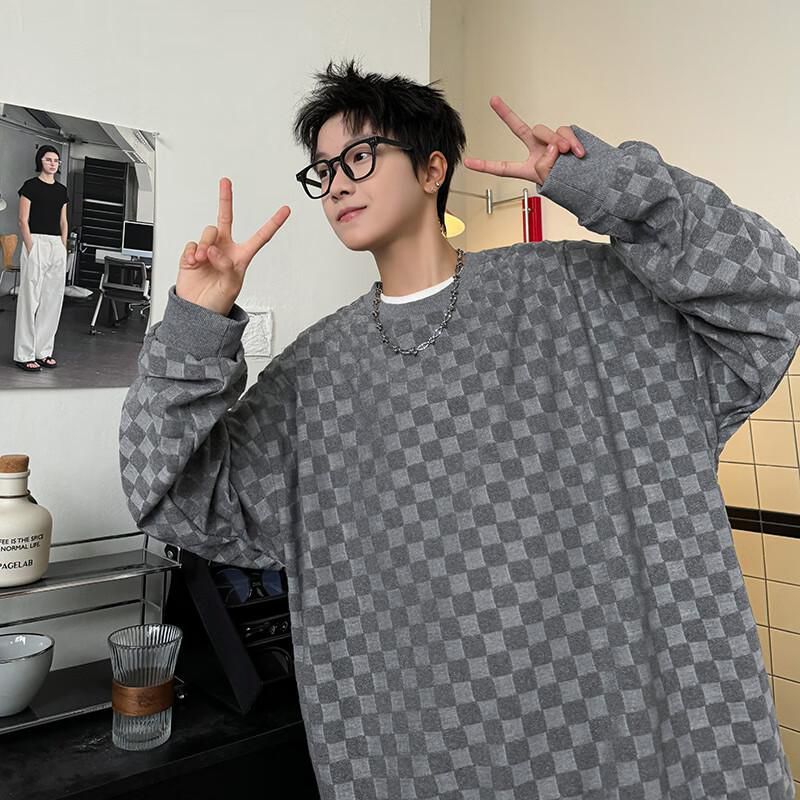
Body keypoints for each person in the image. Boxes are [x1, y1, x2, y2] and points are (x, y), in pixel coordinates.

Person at [119, 61, 800, 799]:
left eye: (359, 156)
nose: (338, 183)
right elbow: (170, 496)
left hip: (641, 749)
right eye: (323, 170)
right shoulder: (311, 378)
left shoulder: (584, 296)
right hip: (422, 757)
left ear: (432, 168)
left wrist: (613, 187)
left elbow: (770, 300)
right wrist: (195, 325)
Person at [13, 144, 69, 371]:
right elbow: (22, 220)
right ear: (40, 161)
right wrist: (30, 247)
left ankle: (43, 351)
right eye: (48, 159)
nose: (53, 163)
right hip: (35, 242)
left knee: (53, 299)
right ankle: (24, 353)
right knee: (30, 299)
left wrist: (63, 245)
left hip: (56, 245)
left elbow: (63, 221)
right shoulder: (30, 186)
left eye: (56, 160)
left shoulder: (62, 190)